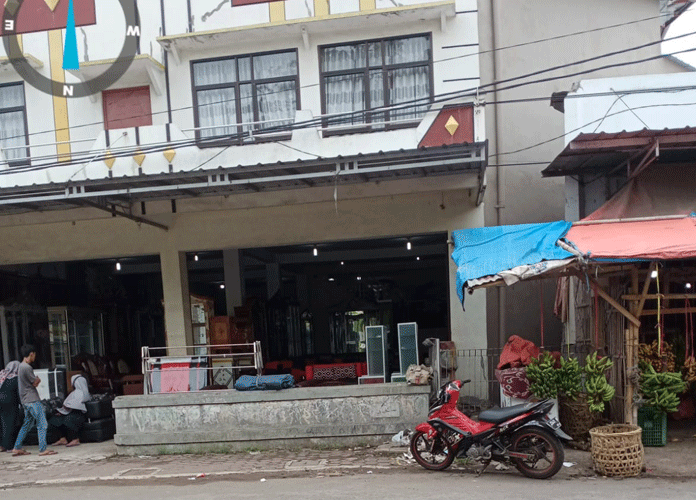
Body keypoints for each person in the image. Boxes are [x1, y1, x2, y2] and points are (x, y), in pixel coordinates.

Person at [12, 344, 57, 456]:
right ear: (31, 354)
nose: (35, 357)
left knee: (27, 424)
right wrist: (38, 379)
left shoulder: (20, 366)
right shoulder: (27, 367)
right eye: (34, 355)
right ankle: (42, 449)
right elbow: (34, 383)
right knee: (42, 423)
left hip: (25, 400)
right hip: (32, 399)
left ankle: (17, 447)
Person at [49, 374, 91, 447]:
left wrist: (66, 408)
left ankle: (75, 439)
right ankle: (62, 439)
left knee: (68, 420)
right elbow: (67, 405)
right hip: (70, 413)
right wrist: (62, 411)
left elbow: (74, 405)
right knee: (55, 419)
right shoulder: (74, 393)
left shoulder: (83, 393)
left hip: (79, 415)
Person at [0, 361, 21, 452]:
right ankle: (9, 446)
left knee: (3, 423)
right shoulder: (16, 378)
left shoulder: (2, 376)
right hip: (10, 403)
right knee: (10, 424)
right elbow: (18, 393)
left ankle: (3, 445)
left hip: (1, 402)